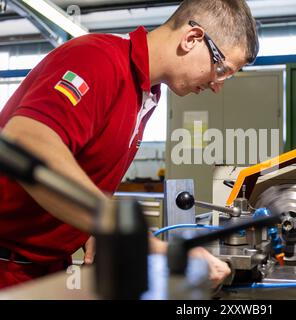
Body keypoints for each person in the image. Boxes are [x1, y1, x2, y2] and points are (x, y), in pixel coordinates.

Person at [0, 0, 259, 290]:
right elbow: (26, 144)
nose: (217, 84)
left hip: (44, 267)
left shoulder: (146, 95)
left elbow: (74, 165)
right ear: (192, 39)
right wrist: (135, 236)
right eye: (221, 69)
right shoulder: (97, 60)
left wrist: (82, 224)